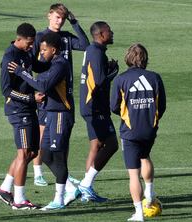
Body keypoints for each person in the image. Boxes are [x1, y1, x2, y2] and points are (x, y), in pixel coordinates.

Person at [8, 32, 74, 211]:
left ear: (54, 50)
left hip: (61, 114)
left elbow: (42, 85)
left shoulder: (60, 65)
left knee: (58, 157)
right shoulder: (52, 64)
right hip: (51, 113)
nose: (42, 53)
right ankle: (70, 188)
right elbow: (40, 80)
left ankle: (60, 198)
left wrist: (21, 72)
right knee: (43, 154)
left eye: (44, 50)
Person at [31, 3, 89, 190]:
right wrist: (33, 90)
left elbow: (86, 45)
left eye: (63, 18)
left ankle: (61, 171)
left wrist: (75, 23)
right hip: (46, 92)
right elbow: (31, 64)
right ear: (49, 15)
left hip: (65, 93)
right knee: (42, 132)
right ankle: (38, 171)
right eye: (57, 17)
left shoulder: (65, 37)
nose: (60, 21)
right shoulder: (40, 37)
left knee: (63, 135)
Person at [110, 43, 166, 221]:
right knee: (145, 157)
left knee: (133, 174)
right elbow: (162, 105)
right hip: (150, 129)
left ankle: (139, 213)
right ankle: (149, 193)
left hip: (130, 131)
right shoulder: (155, 77)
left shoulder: (121, 79)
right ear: (145, 59)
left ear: (128, 58)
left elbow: (113, 106)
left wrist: (127, 114)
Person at [0, 23, 44, 210]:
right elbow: (6, 90)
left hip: (29, 108)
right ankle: (19, 200)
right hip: (18, 110)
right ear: (19, 39)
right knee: (23, 153)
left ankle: (4, 188)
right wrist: (31, 98)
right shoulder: (10, 57)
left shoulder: (26, 53)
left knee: (32, 152)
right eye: (29, 43)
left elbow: (37, 66)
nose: (32, 47)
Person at [74, 21, 119, 204]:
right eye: (109, 31)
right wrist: (113, 72)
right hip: (95, 107)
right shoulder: (97, 53)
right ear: (101, 34)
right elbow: (100, 82)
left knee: (96, 146)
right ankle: (86, 183)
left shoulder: (93, 50)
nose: (112, 32)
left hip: (90, 106)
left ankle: (86, 189)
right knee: (112, 144)